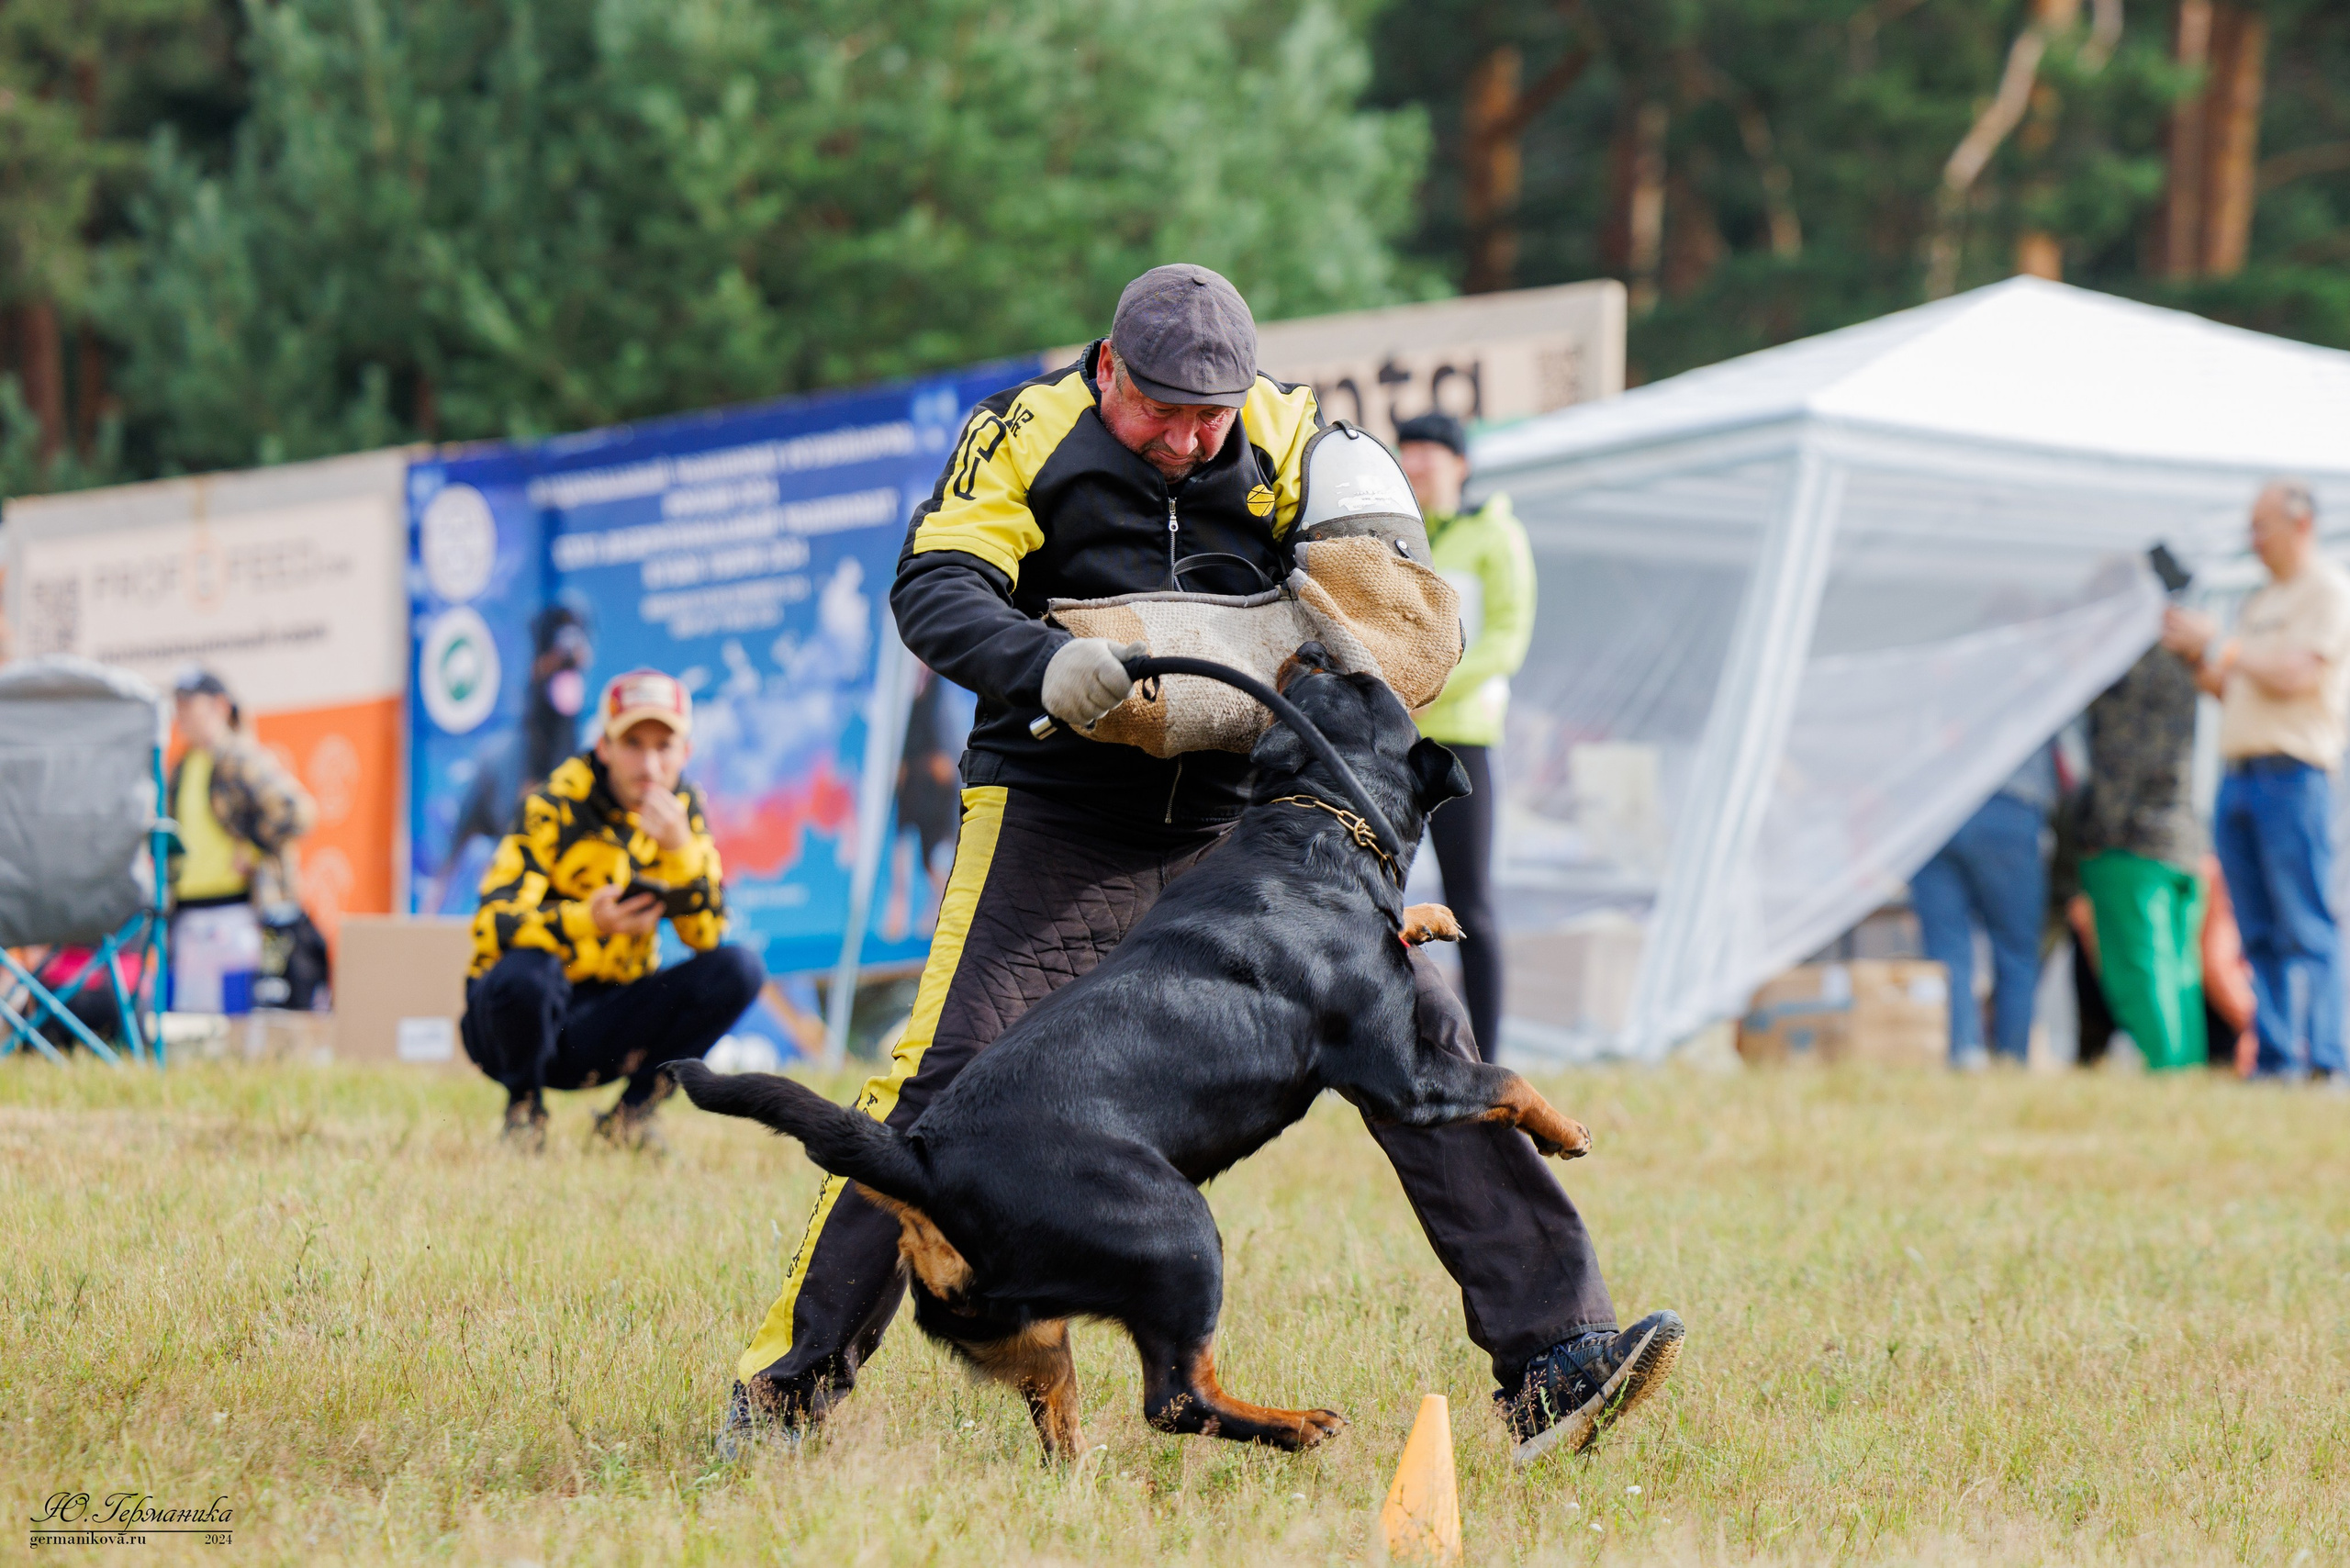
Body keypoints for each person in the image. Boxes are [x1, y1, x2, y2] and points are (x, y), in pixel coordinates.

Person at [723, 263, 1681, 1462]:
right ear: (1110, 367)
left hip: (1245, 820)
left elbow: (1380, 607)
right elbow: (934, 585)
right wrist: (1037, 663)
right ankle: (785, 1396)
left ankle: (1558, 1358)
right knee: (941, 1084)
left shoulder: (1293, 438)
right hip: (1054, 808)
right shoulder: (1025, 433)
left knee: (1416, 1030)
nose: (1182, 441)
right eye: (1159, 410)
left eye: (1206, 417)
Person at [462, 668, 765, 1150]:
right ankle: (523, 1111)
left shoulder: (684, 813)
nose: (649, 763)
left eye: (664, 747)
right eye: (633, 743)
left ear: (684, 754)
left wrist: (682, 851)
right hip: (510, 1021)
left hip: (605, 1019)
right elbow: (491, 924)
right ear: (604, 747)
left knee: (740, 969)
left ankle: (630, 1118)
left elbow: (707, 936)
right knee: (527, 975)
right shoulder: (553, 805)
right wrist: (588, 920)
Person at [2161, 480, 2350, 1081]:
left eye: (2261, 527)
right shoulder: (2260, 601)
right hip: (2239, 776)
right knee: (2255, 929)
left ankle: (2325, 1057)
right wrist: (2198, 658)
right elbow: (2230, 685)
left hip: (2294, 777)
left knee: (2307, 923)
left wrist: (2221, 642)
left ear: (2300, 525)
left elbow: (2295, 674)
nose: (2253, 540)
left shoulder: (2327, 591)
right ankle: (2271, 1056)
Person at [1393, 409, 1535, 1063]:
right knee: (1382, 897)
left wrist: (1432, 685)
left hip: (1461, 741)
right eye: (1408, 452)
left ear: (1460, 463)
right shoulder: (1396, 538)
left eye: (1430, 453)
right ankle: (1400, 1041)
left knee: (1469, 902)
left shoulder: (1494, 535)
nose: (1417, 465)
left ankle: (1489, 1056)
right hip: (1396, 741)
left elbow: (1506, 640)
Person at [2075, 646, 2208, 1070]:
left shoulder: (2129, 669)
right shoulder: (2183, 663)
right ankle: (2185, 1071)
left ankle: (2168, 1072)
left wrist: (2100, 832)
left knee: (2140, 969)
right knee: (2178, 967)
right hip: (2182, 840)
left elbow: (2123, 760)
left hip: (2133, 842)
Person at [167, 668, 317, 1013]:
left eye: (191, 705)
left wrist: (253, 849)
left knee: (238, 1018)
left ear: (220, 706)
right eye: (179, 706)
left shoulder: (240, 757)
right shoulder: (182, 766)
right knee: (191, 1019)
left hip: (237, 913)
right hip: (190, 912)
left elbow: (297, 811)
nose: (183, 715)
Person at [1911, 743, 2056, 1068]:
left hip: (1936, 804)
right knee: (2016, 953)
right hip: (2010, 802)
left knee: (1946, 950)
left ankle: (1963, 1056)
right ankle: (2012, 1062)